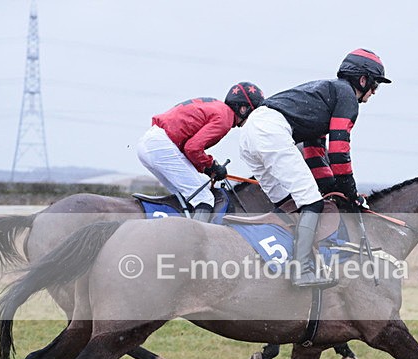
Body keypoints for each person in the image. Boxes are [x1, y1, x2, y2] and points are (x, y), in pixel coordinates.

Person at [239, 49, 391, 287]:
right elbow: (339, 150)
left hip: (250, 134)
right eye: (375, 86)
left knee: (289, 204)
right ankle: (302, 270)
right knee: (311, 202)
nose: (373, 93)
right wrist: (350, 193)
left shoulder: (326, 95)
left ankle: (275, 260)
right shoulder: (347, 97)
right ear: (363, 80)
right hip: (271, 132)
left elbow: (315, 151)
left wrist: (333, 188)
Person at [136, 82, 264, 222]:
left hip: (152, 143)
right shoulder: (224, 119)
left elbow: (189, 148)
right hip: (161, 147)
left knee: (199, 187)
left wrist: (208, 168)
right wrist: (211, 166)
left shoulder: (217, 107)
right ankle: (195, 240)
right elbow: (192, 148)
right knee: (204, 198)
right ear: (243, 109)